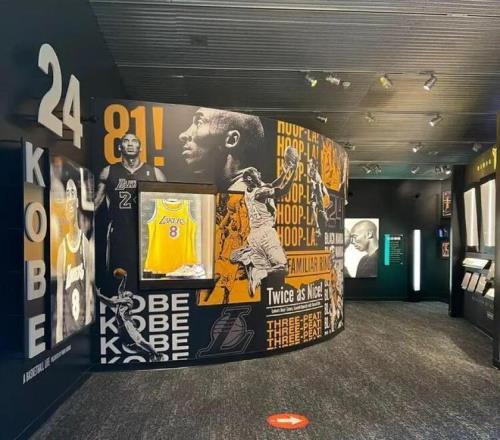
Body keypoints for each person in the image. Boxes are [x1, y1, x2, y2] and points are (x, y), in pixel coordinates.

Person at [94, 133, 166, 277]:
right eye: (126, 141)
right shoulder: (108, 172)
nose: (130, 144)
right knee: (119, 276)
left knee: (148, 274)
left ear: (140, 147)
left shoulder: (155, 173)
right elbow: (95, 204)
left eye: (134, 141)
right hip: (119, 232)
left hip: (148, 232)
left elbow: (167, 204)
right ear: (120, 147)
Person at [231, 155, 298, 295]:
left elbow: (271, 185)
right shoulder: (260, 193)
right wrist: (295, 171)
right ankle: (257, 269)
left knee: (267, 268)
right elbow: (283, 190)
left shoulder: (249, 191)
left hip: (254, 236)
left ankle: (251, 263)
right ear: (250, 178)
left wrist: (285, 173)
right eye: (256, 172)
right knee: (283, 268)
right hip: (266, 233)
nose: (260, 173)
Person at [178, 108, 264, 190]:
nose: (182, 135)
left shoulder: (253, 196)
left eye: (199, 122)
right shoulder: (240, 192)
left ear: (231, 140)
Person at [97, 269, 166, 362]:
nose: (126, 291)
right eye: (125, 291)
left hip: (128, 324)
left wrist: (99, 295)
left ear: (130, 295)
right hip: (122, 326)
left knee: (140, 341)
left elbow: (112, 302)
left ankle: (157, 354)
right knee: (132, 345)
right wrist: (124, 278)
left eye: (128, 292)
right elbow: (120, 289)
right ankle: (152, 354)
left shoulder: (129, 301)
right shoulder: (122, 298)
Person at [55, 179, 93, 343]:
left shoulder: (84, 243)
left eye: (72, 192)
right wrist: (59, 329)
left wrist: (88, 318)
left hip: (82, 323)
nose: (70, 196)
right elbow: (59, 293)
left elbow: (89, 286)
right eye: (67, 193)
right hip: (68, 326)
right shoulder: (62, 247)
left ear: (77, 201)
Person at [307, 157, 330, 237]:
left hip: (317, 193)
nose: (308, 164)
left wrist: (326, 194)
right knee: (312, 207)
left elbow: (320, 186)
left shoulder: (315, 173)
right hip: (313, 193)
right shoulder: (307, 170)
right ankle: (317, 228)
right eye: (308, 162)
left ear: (313, 164)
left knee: (321, 212)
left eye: (310, 162)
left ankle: (327, 220)